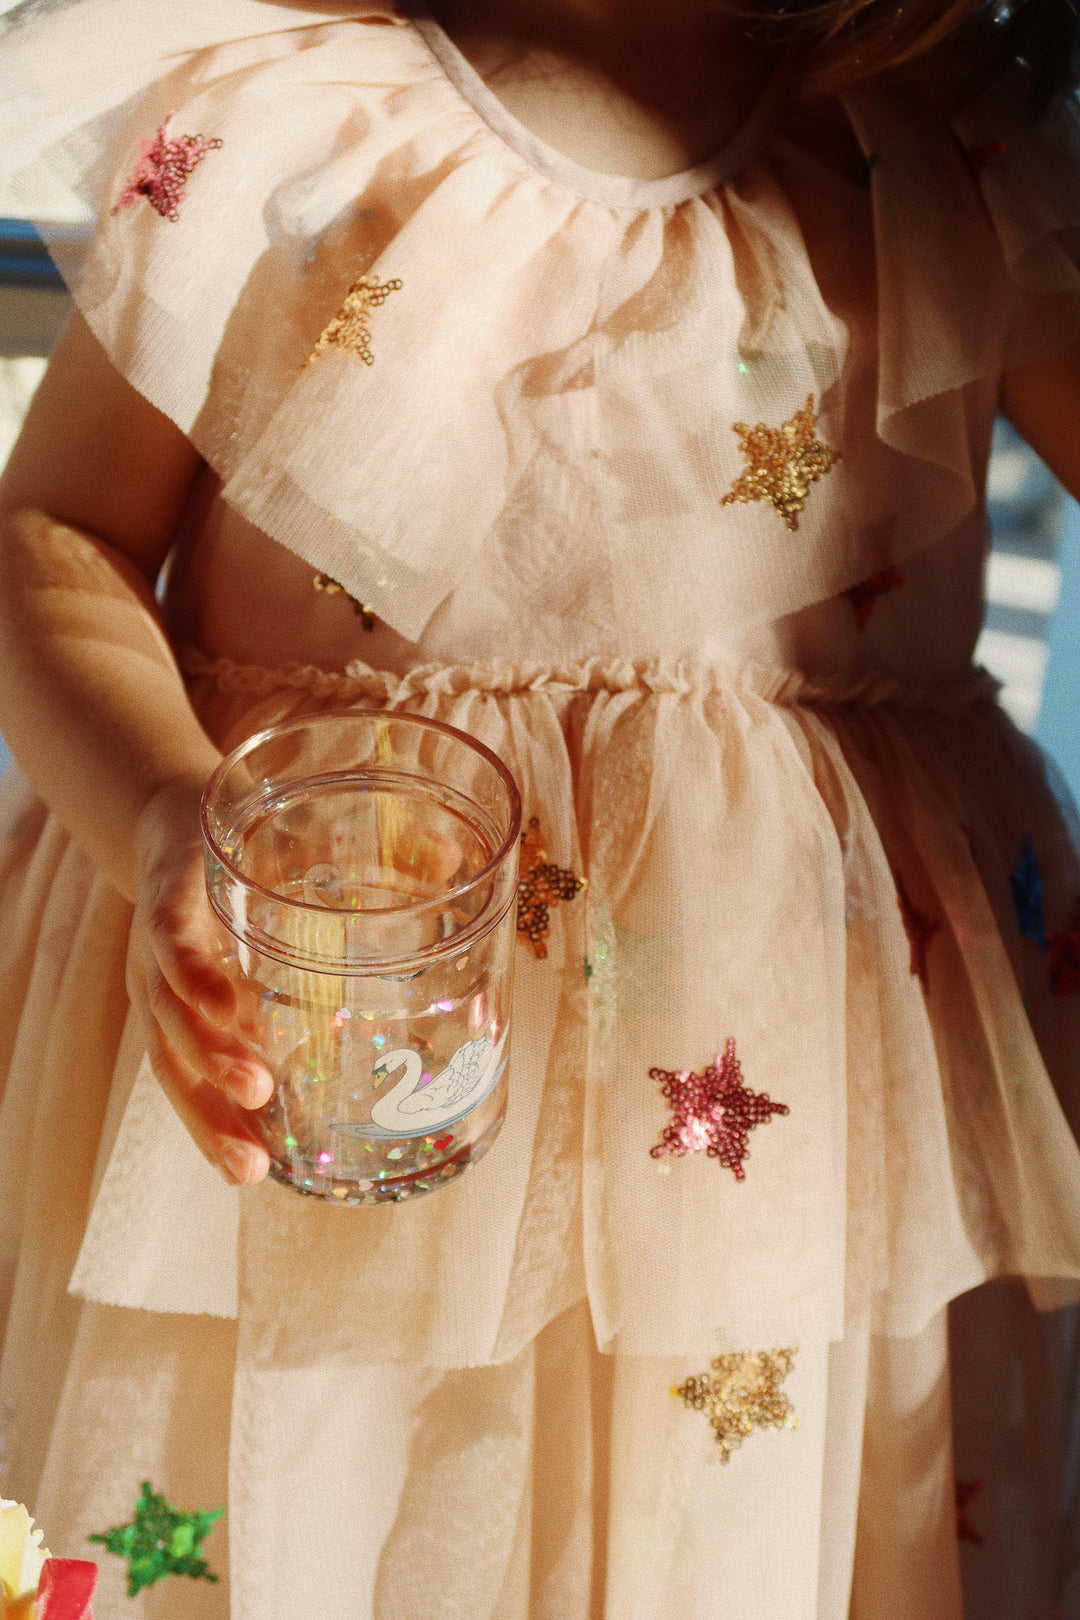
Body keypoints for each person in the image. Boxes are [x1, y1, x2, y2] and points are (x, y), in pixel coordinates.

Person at [1, 0, 1080, 1611]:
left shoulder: (957, 144)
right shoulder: (299, 123)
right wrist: (159, 801)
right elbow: (58, 532)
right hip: (311, 1069)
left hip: (777, 1137)